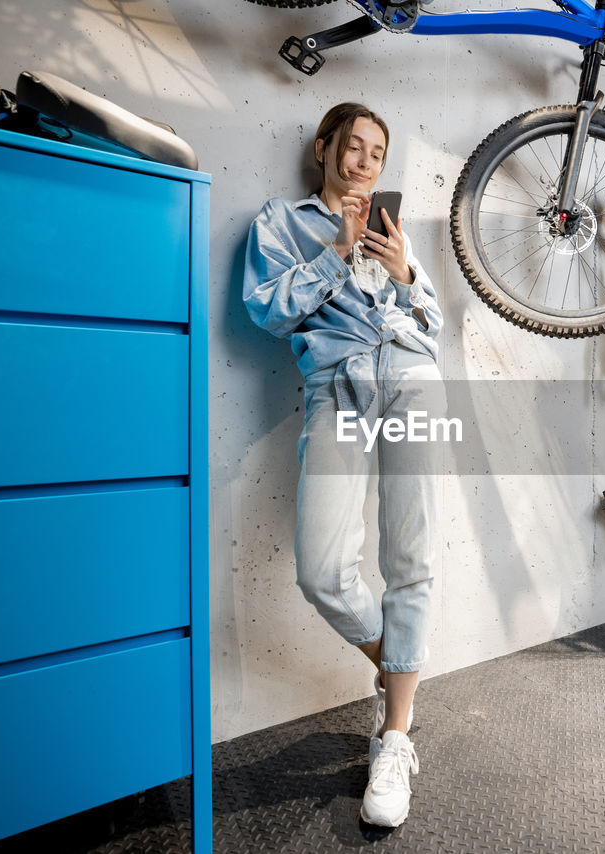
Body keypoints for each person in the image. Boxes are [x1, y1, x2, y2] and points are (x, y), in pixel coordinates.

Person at [243, 102, 443, 828]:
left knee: (411, 554)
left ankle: (395, 737)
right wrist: (334, 253)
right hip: (340, 385)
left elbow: (436, 326)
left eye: (377, 153)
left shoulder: (395, 228)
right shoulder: (282, 221)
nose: (364, 161)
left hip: (412, 377)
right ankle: (403, 674)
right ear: (325, 148)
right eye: (353, 147)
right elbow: (265, 310)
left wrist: (407, 274)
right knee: (323, 567)